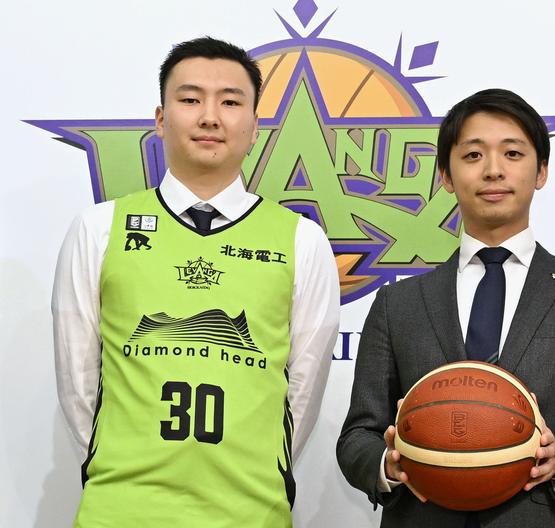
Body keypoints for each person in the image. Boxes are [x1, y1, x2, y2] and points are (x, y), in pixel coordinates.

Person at [52, 36, 340, 527]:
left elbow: (302, 392)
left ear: (255, 126)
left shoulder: (302, 240)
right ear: (161, 119)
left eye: (230, 102)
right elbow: (78, 388)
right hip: (119, 511)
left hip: (251, 512)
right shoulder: (99, 229)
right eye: (190, 100)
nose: (210, 117)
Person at [337, 88, 555, 527]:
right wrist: (389, 462)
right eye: (473, 155)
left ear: (541, 171)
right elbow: (357, 436)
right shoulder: (397, 303)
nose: (494, 170)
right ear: (446, 175)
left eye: (513, 153)